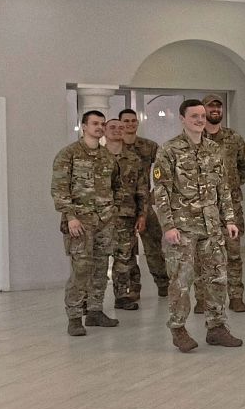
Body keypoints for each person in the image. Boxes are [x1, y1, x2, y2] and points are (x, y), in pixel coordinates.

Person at [153, 99, 244, 353]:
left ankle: (216, 327)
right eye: (194, 116)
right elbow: (161, 191)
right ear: (182, 119)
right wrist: (168, 226)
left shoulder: (214, 149)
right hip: (182, 227)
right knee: (181, 280)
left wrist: (229, 219)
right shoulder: (169, 150)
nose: (200, 120)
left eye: (202, 116)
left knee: (217, 277)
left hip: (211, 226)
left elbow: (223, 188)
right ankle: (178, 328)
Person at [50, 109, 118, 336]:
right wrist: (70, 216)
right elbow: (59, 189)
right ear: (84, 126)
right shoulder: (68, 154)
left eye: (102, 124)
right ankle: (74, 316)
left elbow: (114, 186)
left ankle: (95, 311)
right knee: (81, 269)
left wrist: (112, 212)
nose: (100, 127)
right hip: (79, 222)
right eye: (95, 123)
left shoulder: (107, 156)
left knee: (101, 267)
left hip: (104, 221)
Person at [201, 94, 245, 312]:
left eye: (218, 106)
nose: (215, 110)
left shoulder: (234, 138)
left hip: (231, 207)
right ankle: (203, 299)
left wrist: (231, 186)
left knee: (233, 254)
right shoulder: (195, 137)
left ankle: (236, 297)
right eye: (210, 106)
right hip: (203, 207)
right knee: (202, 255)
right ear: (203, 110)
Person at [118, 108, 168, 298]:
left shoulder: (149, 146)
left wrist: (157, 190)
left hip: (145, 205)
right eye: (126, 121)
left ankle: (163, 283)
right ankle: (133, 287)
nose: (130, 124)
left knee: (153, 246)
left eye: (133, 121)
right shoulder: (114, 147)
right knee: (127, 249)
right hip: (122, 207)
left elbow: (163, 168)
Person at [103, 117, 146, 311]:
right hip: (100, 217)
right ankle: (91, 301)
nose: (117, 130)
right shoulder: (97, 157)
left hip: (126, 216)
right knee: (97, 259)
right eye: (112, 127)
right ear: (105, 131)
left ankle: (122, 296)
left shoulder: (134, 159)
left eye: (121, 127)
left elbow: (142, 190)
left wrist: (142, 215)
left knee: (124, 259)